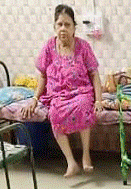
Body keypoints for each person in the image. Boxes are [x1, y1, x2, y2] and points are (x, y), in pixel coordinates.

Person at [22, 4, 102, 178]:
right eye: (60, 24)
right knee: (54, 113)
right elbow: (42, 76)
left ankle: (86, 155)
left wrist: (98, 100)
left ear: (74, 28)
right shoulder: (49, 47)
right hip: (58, 95)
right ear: (54, 27)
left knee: (83, 106)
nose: (63, 28)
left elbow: (94, 74)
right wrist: (35, 99)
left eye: (67, 24)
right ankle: (71, 162)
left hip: (81, 92)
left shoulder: (83, 47)